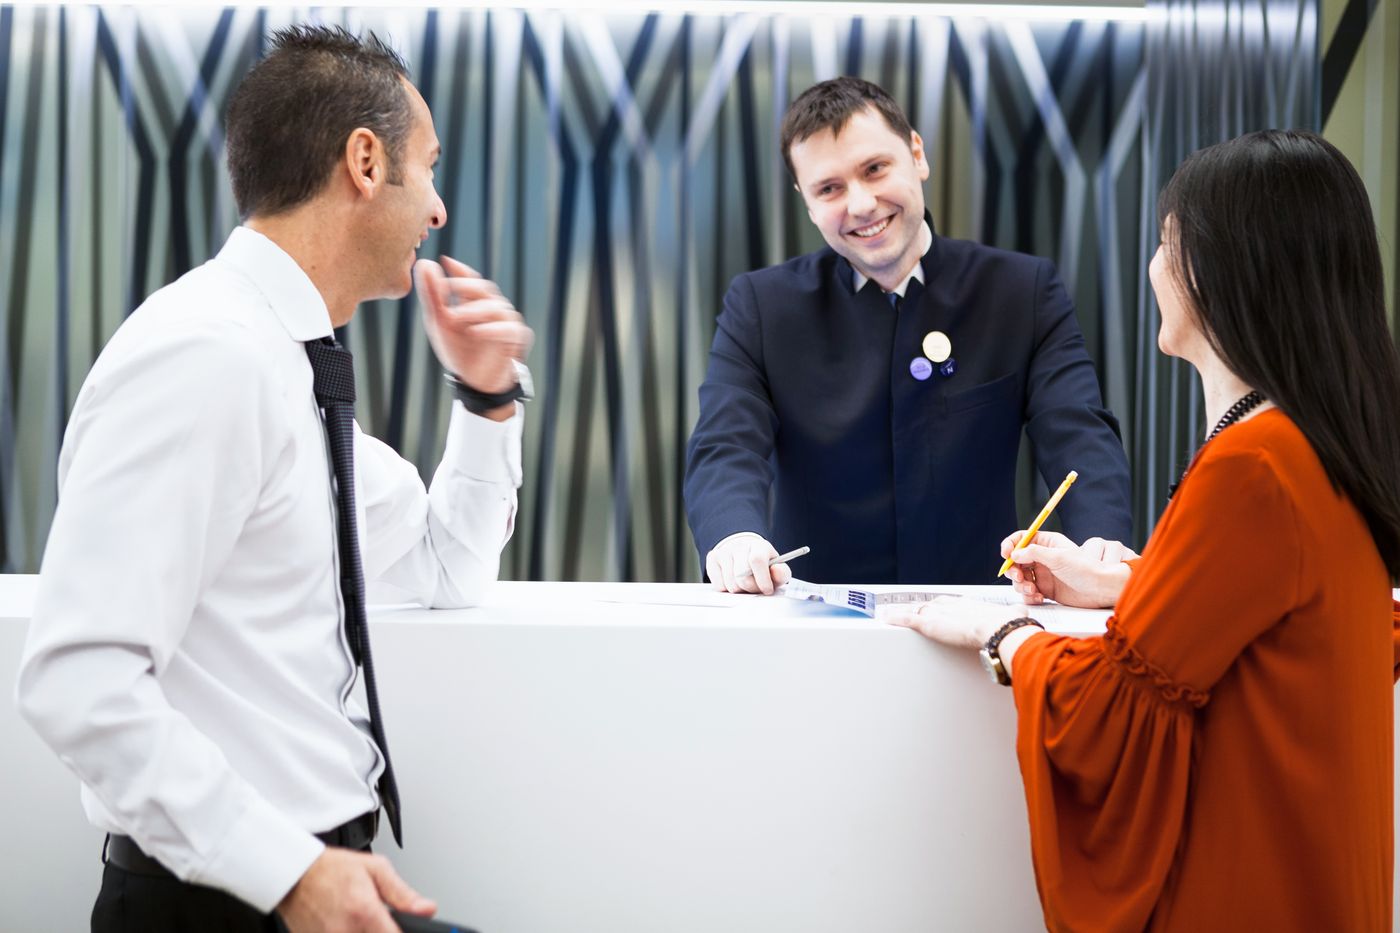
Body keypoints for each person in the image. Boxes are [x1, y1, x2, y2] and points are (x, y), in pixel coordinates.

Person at [16, 26, 533, 933]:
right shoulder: (206, 355)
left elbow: (447, 565)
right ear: (366, 162)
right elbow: (78, 675)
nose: (440, 209)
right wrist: (288, 872)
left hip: (308, 879)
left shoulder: (289, 363)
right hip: (222, 903)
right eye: (429, 167)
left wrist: (487, 397)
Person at [891, 129, 1400, 930]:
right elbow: (1280, 614)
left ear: (1224, 267)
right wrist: (1132, 583)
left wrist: (1001, 632)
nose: (1155, 266)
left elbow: (1110, 714)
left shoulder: (1254, 464)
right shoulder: (1313, 442)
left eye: (1167, 242)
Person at [684, 76, 1132, 594]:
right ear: (806, 201)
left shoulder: (1021, 291)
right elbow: (726, 444)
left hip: (980, 609)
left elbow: (1079, 435)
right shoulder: (762, 306)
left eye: (875, 169)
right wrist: (734, 536)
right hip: (812, 612)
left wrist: (1099, 547)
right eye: (829, 188)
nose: (860, 204)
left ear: (917, 154)